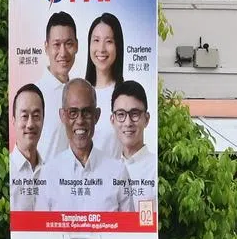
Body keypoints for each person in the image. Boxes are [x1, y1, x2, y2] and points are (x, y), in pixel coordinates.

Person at [40, 79, 134, 213]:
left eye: (86, 112)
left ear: (96, 115)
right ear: (62, 116)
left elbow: (129, 229)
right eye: (73, 113)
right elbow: (40, 232)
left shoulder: (118, 172)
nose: (80, 121)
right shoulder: (48, 174)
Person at [36, 12, 79, 159]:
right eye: (56, 44)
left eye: (68, 44)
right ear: (46, 47)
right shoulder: (35, 96)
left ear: (76, 46)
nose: (63, 52)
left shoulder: (80, 93)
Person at [111, 80, 156, 206]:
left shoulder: (155, 169)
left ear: (146, 119)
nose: (128, 123)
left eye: (134, 114)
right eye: (121, 114)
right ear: (112, 120)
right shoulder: (106, 170)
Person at [84, 12, 125, 154]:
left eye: (108, 41)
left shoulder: (125, 97)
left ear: (118, 46)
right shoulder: (78, 94)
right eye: (96, 40)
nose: (101, 49)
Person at [9, 83, 47, 211]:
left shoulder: (51, 173)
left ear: (43, 120)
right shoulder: (6, 172)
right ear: (13, 120)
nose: (30, 124)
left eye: (36, 116)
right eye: (24, 116)